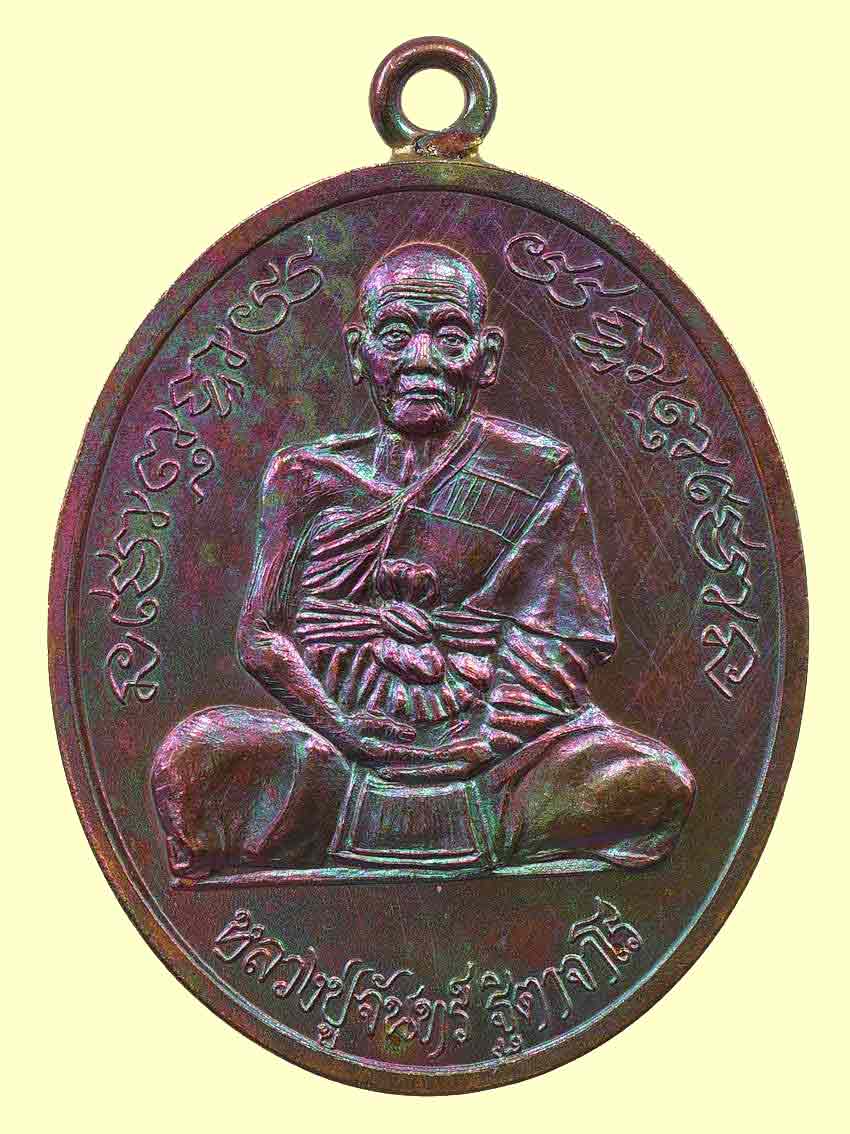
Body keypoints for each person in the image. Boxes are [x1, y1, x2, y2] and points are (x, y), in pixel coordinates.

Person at [151, 242, 695, 878]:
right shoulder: (304, 478)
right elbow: (261, 635)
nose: (422, 360)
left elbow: (559, 649)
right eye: (395, 335)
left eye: (450, 338)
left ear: (486, 359)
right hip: (339, 750)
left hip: (503, 758)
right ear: (359, 354)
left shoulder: (538, 473)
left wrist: (480, 743)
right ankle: (450, 826)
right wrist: (349, 732)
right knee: (195, 759)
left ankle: (417, 823)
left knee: (656, 783)